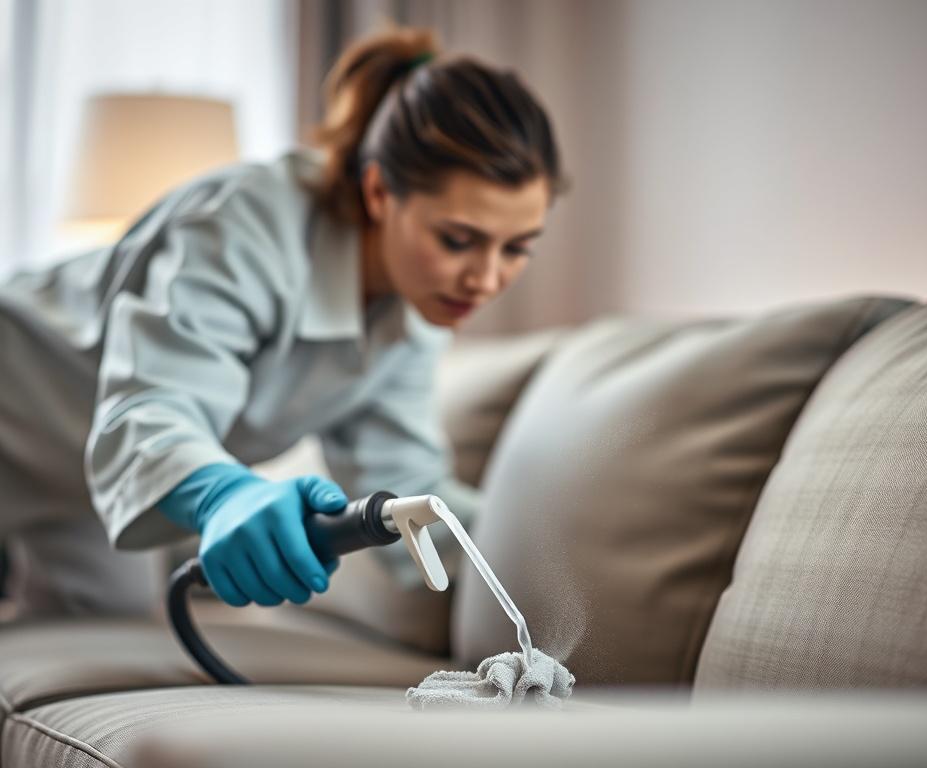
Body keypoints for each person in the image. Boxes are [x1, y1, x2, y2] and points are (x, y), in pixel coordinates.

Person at [0, 26, 565, 619]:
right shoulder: (245, 225)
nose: (485, 279)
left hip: (75, 485)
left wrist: (552, 556)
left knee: (105, 631)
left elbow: (405, 485)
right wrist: (223, 494)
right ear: (379, 191)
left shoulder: (413, 318)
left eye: (517, 248)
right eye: (458, 240)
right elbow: (148, 408)